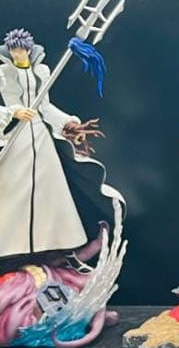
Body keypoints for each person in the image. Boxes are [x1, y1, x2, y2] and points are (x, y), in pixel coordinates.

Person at [0, 28, 105, 260]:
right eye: (14, 50)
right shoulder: (4, 73)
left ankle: (56, 243)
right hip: (17, 133)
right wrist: (13, 112)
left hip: (39, 134)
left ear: (28, 50)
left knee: (49, 187)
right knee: (13, 188)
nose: (18, 54)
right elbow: (8, 106)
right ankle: (10, 247)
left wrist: (68, 123)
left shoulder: (42, 71)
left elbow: (45, 107)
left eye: (21, 50)